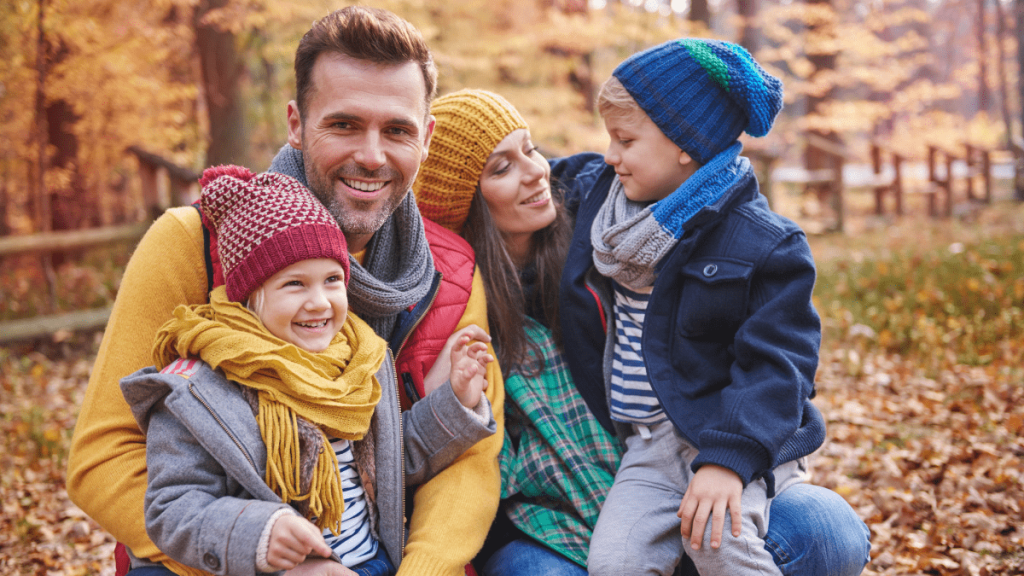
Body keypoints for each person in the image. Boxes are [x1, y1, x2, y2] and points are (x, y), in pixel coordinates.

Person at [66, 7, 505, 576]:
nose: (371, 156)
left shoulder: (450, 272)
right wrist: (272, 562)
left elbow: (466, 460)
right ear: (296, 124)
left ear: (426, 138)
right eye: (344, 124)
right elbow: (103, 456)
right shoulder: (192, 243)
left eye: (397, 130)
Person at [413, 87, 871, 576]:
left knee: (826, 533)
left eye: (531, 149)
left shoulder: (604, 228)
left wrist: (729, 458)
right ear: (462, 204)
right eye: (501, 168)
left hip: (673, 461)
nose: (535, 172)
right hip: (546, 514)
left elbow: (705, 192)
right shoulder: (447, 301)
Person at [118, 167, 495, 576]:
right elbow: (173, 508)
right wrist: (260, 534)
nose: (319, 302)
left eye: (332, 280)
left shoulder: (356, 362)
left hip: (372, 564)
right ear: (250, 296)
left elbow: (389, 465)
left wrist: (457, 401)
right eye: (294, 284)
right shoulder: (199, 389)